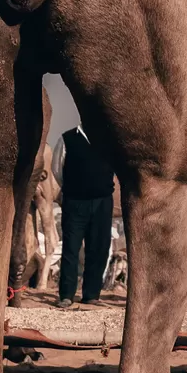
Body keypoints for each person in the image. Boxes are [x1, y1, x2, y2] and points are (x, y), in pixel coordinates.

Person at [50, 123, 115, 308]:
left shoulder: (109, 138)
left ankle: (91, 294)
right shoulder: (67, 138)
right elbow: (57, 169)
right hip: (75, 202)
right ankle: (66, 295)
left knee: (99, 248)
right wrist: (74, 187)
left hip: (102, 201)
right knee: (71, 249)